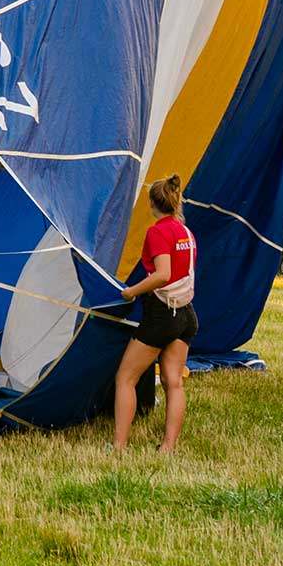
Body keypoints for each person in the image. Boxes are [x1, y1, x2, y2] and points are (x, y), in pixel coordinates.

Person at [112, 174, 196, 454]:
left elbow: (163, 275)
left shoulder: (157, 232)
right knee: (174, 382)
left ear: (152, 203)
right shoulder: (186, 232)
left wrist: (132, 291)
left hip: (163, 315)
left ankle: (119, 447)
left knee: (126, 378)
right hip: (186, 315)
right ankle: (168, 448)